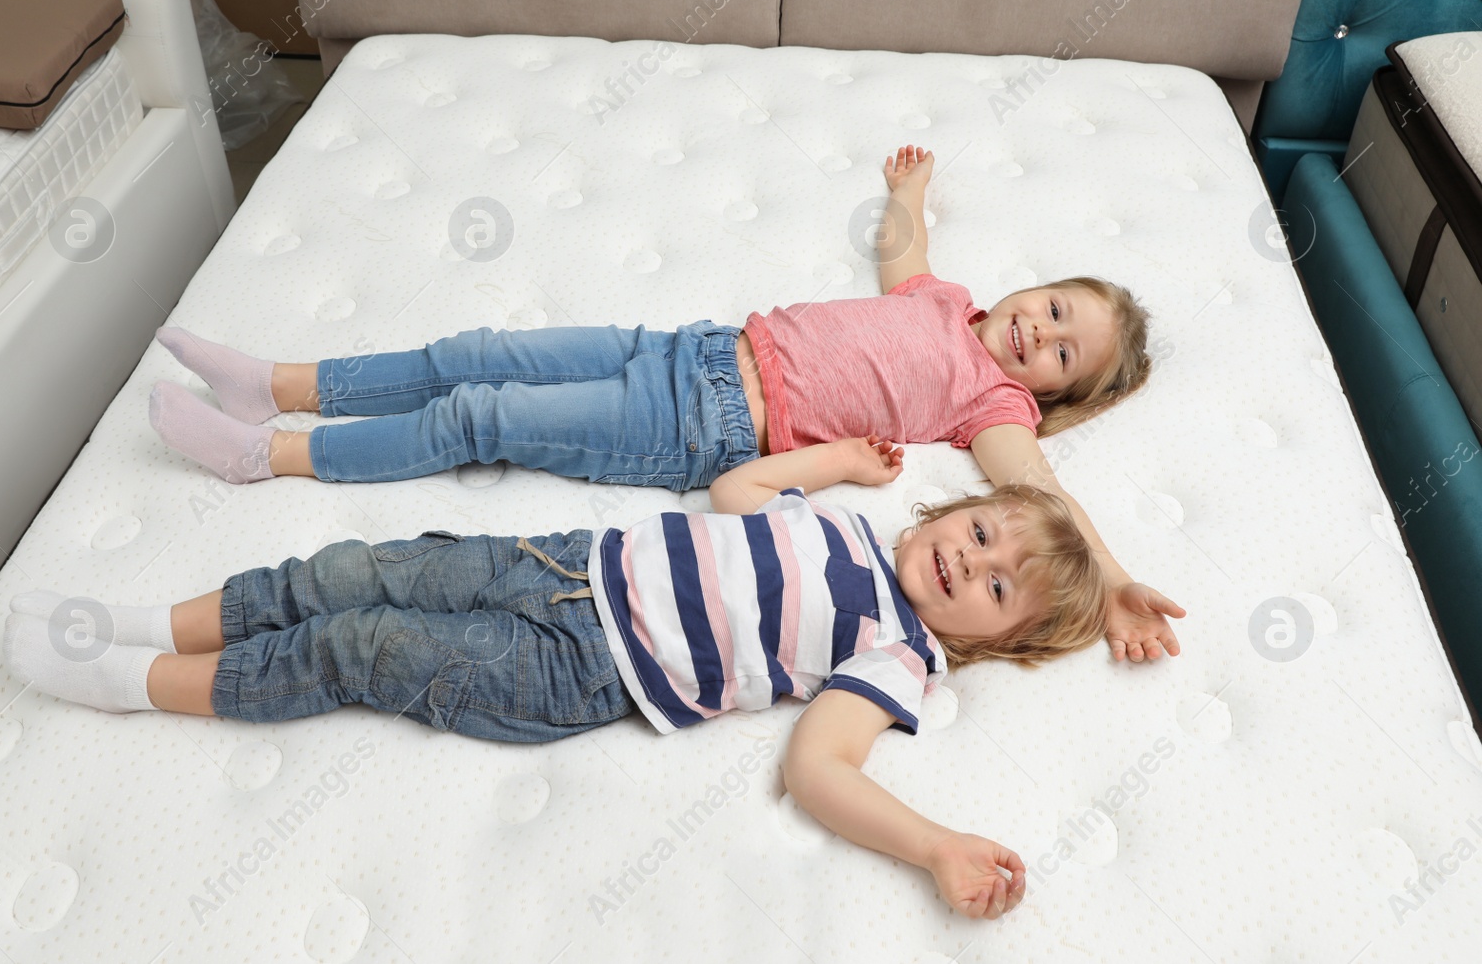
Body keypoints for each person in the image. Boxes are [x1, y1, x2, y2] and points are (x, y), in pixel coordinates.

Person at [2, 437, 1177, 920]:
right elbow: (735, 494)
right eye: (977, 533)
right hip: (564, 560)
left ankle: (137, 679)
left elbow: (817, 766)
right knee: (354, 567)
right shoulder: (859, 530)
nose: (965, 559)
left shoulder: (893, 655)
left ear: (987, 640)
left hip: (576, 663)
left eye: (988, 584)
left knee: (365, 648)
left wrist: (932, 844)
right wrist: (826, 458)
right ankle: (150, 617)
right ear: (951, 507)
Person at [149, 145, 1181, 662]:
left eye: (1059, 356)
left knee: (484, 416)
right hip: (689, 344)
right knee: (477, 351)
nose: (1036, 337)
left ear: (1050, 395)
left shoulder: (989, 403)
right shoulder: (947, 304)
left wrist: (1118, 579)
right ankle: (278, 382)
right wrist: (909, 200)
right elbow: (901, 254)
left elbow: (1041, 494)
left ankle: (267, 454)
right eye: (1051, 310)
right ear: (1026, 289)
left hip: (708, 427)